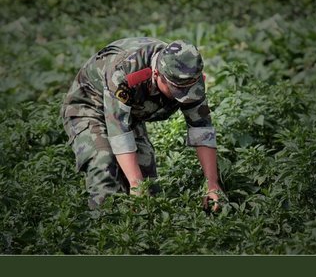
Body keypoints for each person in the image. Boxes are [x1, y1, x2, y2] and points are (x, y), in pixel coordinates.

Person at [61, 37, 224, 212]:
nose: (183, 96)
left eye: (188, 90)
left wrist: (212, 184)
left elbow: (202, 129)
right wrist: (136, 185)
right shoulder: (126, 71)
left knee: (149, 190)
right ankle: (102, 225)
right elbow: (119, 131)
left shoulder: (189, 74)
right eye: (177, 90)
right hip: (90, 107)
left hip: (129, 114)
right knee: (105, 168)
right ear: (157, 74)